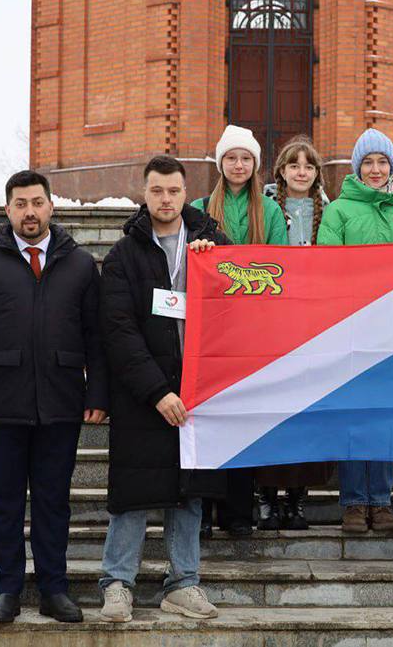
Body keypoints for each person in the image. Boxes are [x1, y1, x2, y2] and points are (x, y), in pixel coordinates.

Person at [0, 170, 108, 624]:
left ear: (52, 206)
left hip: (60, 403)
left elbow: (96, 336)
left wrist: (97, 391)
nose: (30, 212)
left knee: (55, 501)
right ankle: (7, 590)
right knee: (4, 501)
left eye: (37, 202)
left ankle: (54, 589)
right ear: (8, 210)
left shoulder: (79, 263)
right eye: (21, 204)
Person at [98, 155, 232, 622]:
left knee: (189, 490)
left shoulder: (213, 245)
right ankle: (117, 583)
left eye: (174, 191)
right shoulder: (123, 256)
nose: (166, 199)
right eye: (157, 191)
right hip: (143, 395)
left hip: (197, 390)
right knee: (132, 490)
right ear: (145, 193)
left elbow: (235, 310)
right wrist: (156, 391)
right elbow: (118, 331)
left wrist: (213, 263)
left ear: (185, 191)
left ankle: (184, 583)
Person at [317, 127, 393, 533]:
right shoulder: (338, 211)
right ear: (357, 167)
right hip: (351, 327)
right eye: (367, 162)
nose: (375, 169)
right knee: (354, 413)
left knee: (382, 414)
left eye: (382, 161)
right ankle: (352, 502)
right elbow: (329, 268)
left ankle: (381, 503)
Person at [190, 125, 288, 537]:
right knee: (209, 417)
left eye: (246, 158)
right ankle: (204, 508)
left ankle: (237, 511)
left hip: (254, 329)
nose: (238, 164)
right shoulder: (196, 207)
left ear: (255, 165)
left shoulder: (270, 212)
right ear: (220, 163)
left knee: (244, 418)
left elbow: (281, 265)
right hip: (210, 326)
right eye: (231, 157)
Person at [254, 136, 334, 530]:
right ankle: (266, 496)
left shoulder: (330, 212)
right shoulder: (266, 208)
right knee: (272, 407)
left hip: (315, 320)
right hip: (272, 320)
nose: (301, 172)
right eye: (293, 165)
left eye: (309, 166)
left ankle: (297, 497)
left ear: (317, 173)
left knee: (307, 411)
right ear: (281, 171)